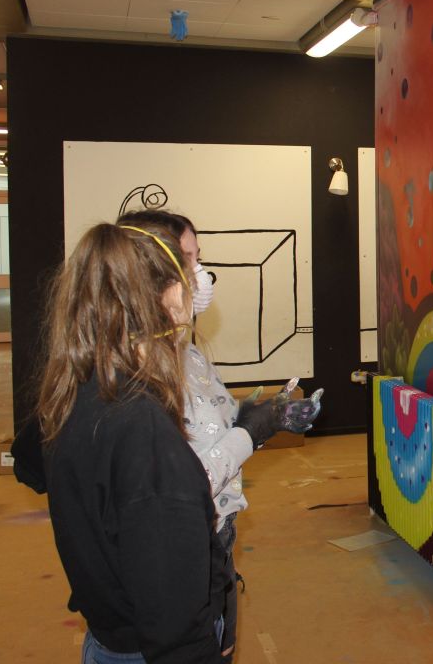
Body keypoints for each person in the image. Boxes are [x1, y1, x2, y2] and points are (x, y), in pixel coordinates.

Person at [114, 209, 322, 662]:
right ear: (146, 273)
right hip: (177, 562)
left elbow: (207, 432)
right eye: (187, 260)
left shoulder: (184, 354)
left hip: (214, 543)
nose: (201, 275)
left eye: (198, 257)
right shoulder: (136, 376)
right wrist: (251, 431)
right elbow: (180, 487)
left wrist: (256, 419)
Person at [28, 222, 228, 662]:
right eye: (187, 272)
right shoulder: (142, 429)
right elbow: (173, 620)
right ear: (168, 297)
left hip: (110, 633)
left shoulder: (76, 389)